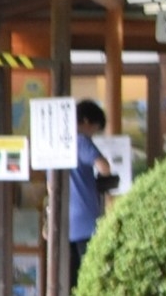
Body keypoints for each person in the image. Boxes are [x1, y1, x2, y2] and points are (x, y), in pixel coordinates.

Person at [69, 100, 111, 288]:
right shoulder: (81, 141)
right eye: (94, 128)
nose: (93, 133)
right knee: (89, 273)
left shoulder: (60, 143)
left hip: (64, 222)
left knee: (69, 276)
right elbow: (104, 167)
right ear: (85, 121)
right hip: (85, 218)